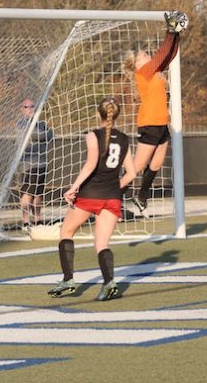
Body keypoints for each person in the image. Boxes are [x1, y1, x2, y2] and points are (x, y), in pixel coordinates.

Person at [48, 97, 136, 301]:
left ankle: (68, 280)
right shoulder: (124, 138)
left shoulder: (93, 136)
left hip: (90, 194)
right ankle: (109, 283)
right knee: (102, 243)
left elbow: (90, 165)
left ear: (98, 114)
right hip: (112, 198)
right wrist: (114, 187)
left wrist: (73, 188)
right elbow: (131, 173)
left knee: (66, 231)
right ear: (117, 115)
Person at [122, 10, 189, 215]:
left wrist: (176, 34)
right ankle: (111, 195)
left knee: (158, 161)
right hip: (150, 122)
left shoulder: (153, 70)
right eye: (142, 55)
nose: (146, 55)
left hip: (161, 123)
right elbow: (162, 55)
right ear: (137, 64)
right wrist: (170, 31)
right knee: (137, 166)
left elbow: (169, 54)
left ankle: (141, 196)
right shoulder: (143, 71)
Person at [17, 99, 53, 229]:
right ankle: (25, 221)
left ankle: (38, 219)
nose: (30, 109)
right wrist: (41, 135)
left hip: (41, 163)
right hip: (28, 164)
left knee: (38, 193)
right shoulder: (22, 123)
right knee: (27, 192)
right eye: (27, 107)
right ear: (22, 109)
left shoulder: (42, 123)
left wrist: (42, 134)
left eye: (32, 106)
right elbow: (34, 135)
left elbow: (50, 135)